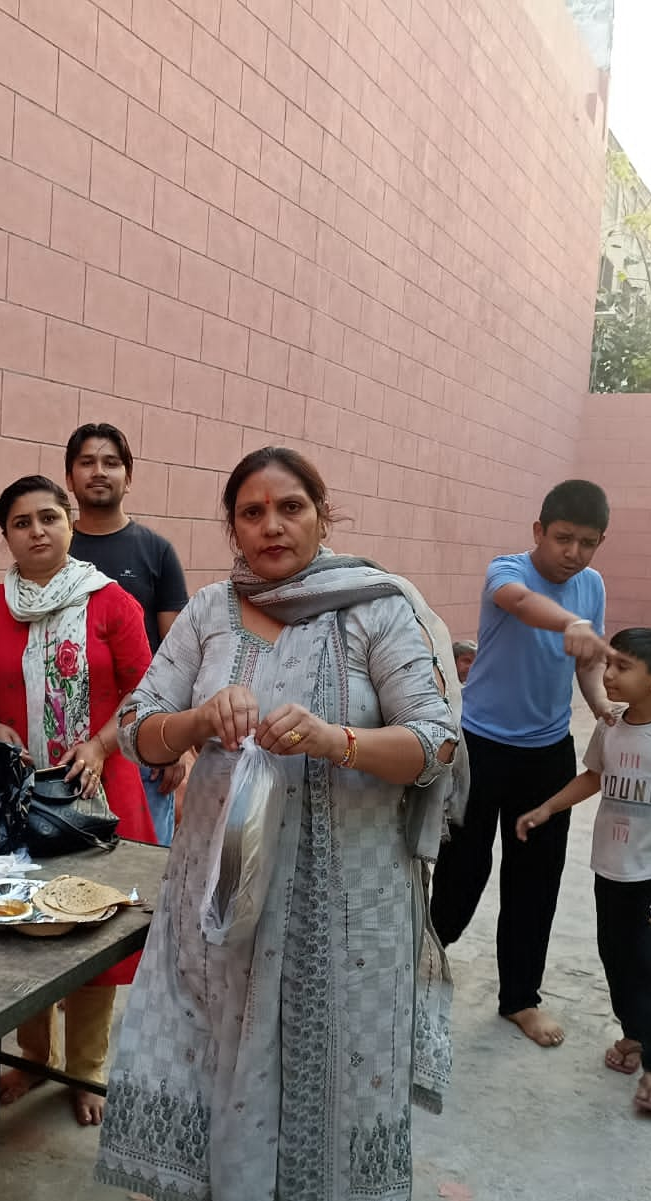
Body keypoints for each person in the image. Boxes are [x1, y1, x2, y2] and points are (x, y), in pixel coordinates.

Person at [95, 447, 458, 1201]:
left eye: (290, 506)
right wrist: (196, 718)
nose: (271, 525)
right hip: (221, 901)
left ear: (324, 513)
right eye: (251, 511)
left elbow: (436, 743)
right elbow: (136, 726)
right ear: (231, 525)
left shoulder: (376, 608)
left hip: (346, 911)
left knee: (336, 1067)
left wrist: (337, 740)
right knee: (213, 1054)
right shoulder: (209, 612)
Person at [0, 475, 155, 1126]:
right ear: (6, 534)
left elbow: (146, 692)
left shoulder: (112, 604)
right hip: (17, 798)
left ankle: (86, 1071)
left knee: (93, 931)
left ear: (71, 524)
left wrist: (100, 745)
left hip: (98, 796)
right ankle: (29, 1055)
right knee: (24, 927)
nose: (37, 530)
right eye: (22, 521)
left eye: (49, 517)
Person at [429, 479, 614, 1048]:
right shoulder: (505, 572)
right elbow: (522, 605)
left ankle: (520, 998)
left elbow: (586, 663)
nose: (574, 555)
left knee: (537, 880)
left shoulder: (592, 587)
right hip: (481, 746)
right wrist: (571, 623)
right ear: (539, 531)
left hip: (547, 754)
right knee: (463, 868)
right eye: (563, 539)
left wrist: (604, 706)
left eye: (588, 543)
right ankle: (424, 959)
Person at [515, 628, 651, 1115]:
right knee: (617, 958)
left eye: (622, 667)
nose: (607, 674)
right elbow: (594, 777)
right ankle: (633, 1035)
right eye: (608, 664)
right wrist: (546, 809)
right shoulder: (610, 727)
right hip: (611, 871)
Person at [62, 422, 189, 845]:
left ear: (128, 478)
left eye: (111, 463)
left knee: (143, 872)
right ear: (69, 478)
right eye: (87, 462)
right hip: (66, 744)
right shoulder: (53, 549)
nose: (99, 471)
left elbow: (177, 656)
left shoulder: (155, 551)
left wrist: (172, 743)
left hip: (140, 738)